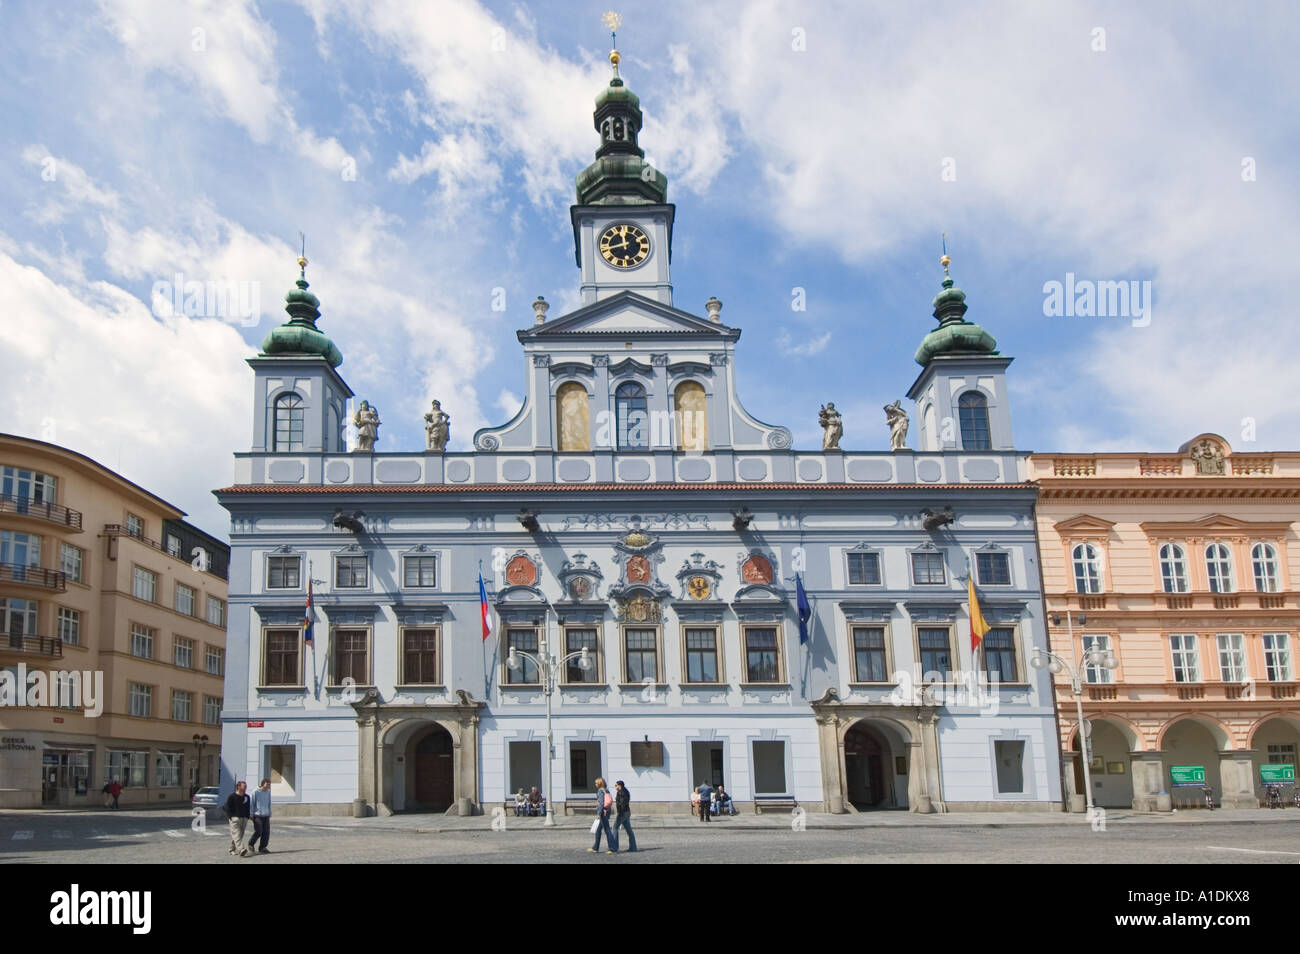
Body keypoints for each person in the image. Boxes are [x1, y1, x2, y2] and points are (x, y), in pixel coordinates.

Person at [224, 780, 251, 857]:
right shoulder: (232, 796)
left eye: (246, 786)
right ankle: (241, 849)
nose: (245, 787)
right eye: (244, 786)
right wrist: (231, 817)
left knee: (239, 835)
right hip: (234, 818)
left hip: (244, 818)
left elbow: (248, 807)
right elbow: (227, 807)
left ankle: (231, 849)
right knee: (236, 834)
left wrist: (247, 816)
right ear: (238, 787)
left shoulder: (247, 797)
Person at [589, 777, 615, 853]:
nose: (595, 784)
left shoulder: (600, 791)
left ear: (600, 783)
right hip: (607, 811)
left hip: (603, 812)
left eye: (596, 783)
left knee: (607, 830)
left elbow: (601, 803)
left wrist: (599, 813)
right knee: (598, 830)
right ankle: (595, 847)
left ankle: (612, 848)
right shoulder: (606, 790)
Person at [248, 778, 272, 854]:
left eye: (269, 784)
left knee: (266, 832)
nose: (268, 786)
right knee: (259, 831)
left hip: (266, 815)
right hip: (257, 815)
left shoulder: (268, 792)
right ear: (262, 784)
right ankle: (251, 844)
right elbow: (252, 803)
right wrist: (251, 814)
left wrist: (269, 812)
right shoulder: (255, 792)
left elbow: (269, 802)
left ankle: (262, 847)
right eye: (267, 784)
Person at [613, 780, 637, 852]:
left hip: (622, 813)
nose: (615, 787)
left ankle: (615, 847)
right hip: (627, 812)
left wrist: (620, 814)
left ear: (619, 785)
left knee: (614, 828)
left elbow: (622, 804)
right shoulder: (625, 791)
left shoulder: (621, 793)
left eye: (616, 785)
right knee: (629, 830)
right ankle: (633, 847)